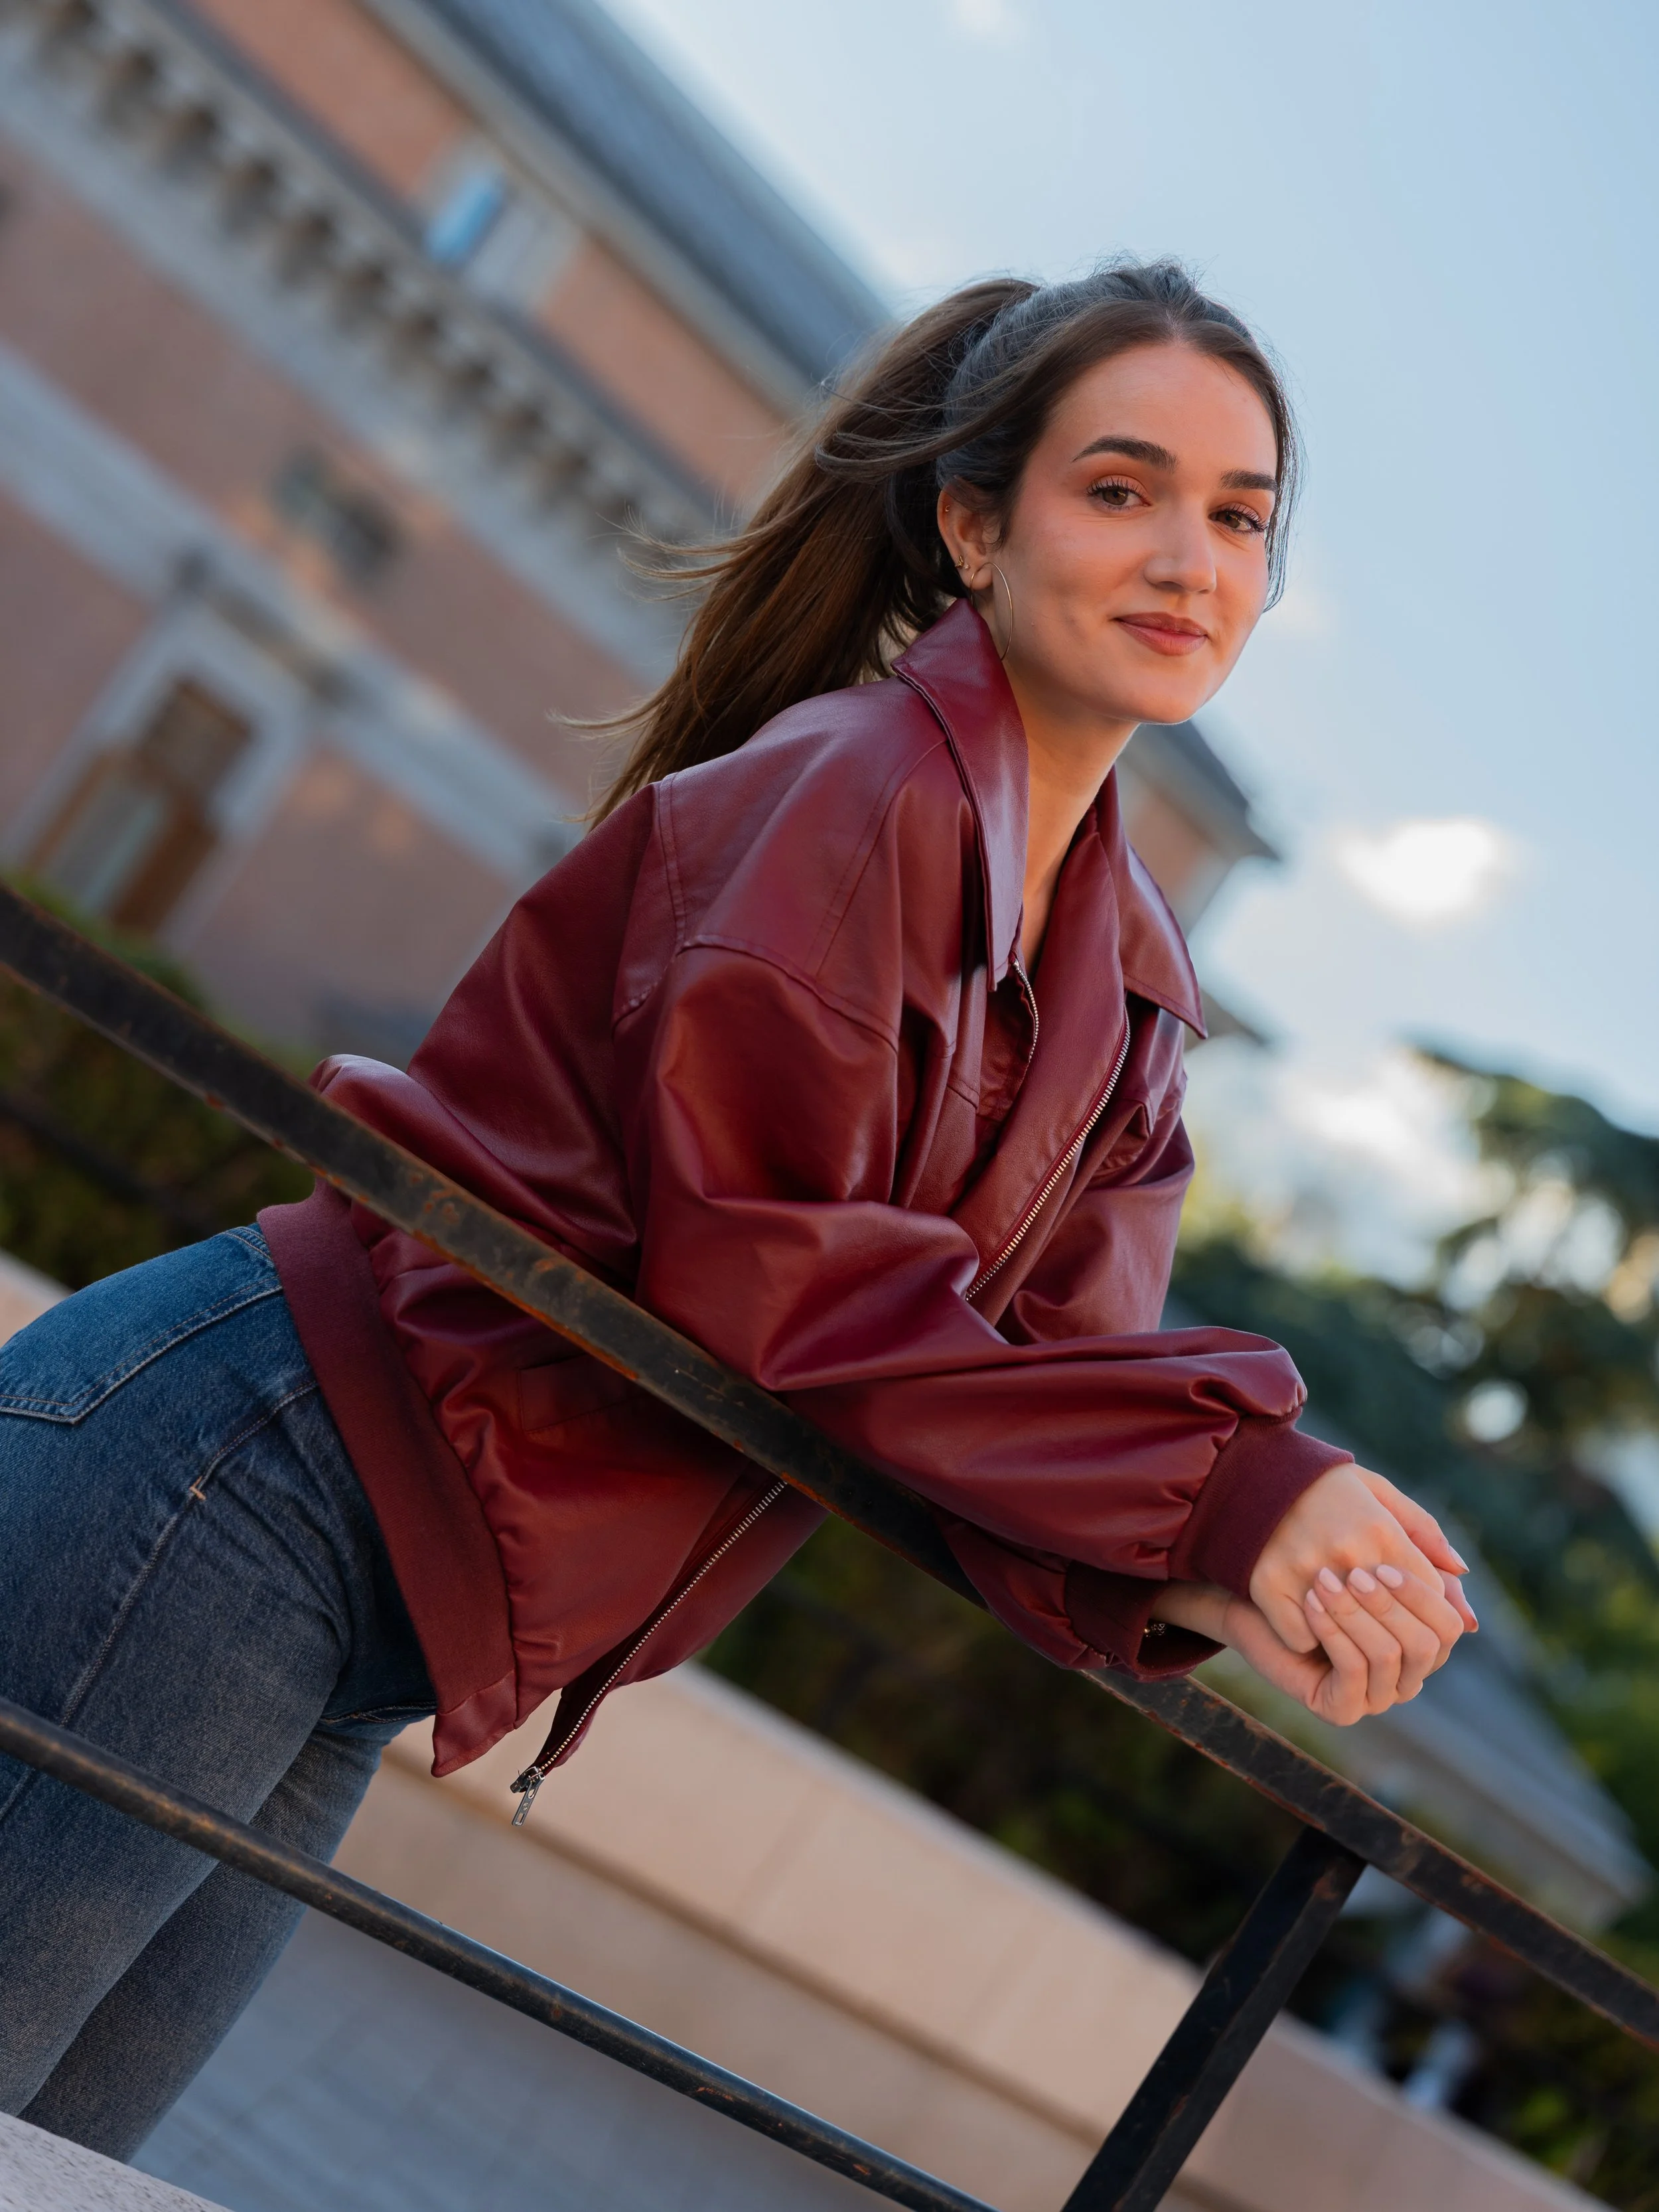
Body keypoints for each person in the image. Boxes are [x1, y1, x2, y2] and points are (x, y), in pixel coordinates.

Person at [0, 259, 1474, 2157]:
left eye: (1241, 517)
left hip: (362, 1596)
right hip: (246, 1472)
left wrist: (1230, 1573)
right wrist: (1238, 1488)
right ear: (972, 528)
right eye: (1120, 489)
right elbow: (774, 1277)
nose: (1189, 557)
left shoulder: (1132, 1001)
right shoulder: (852, 791)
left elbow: (1026, 1398)